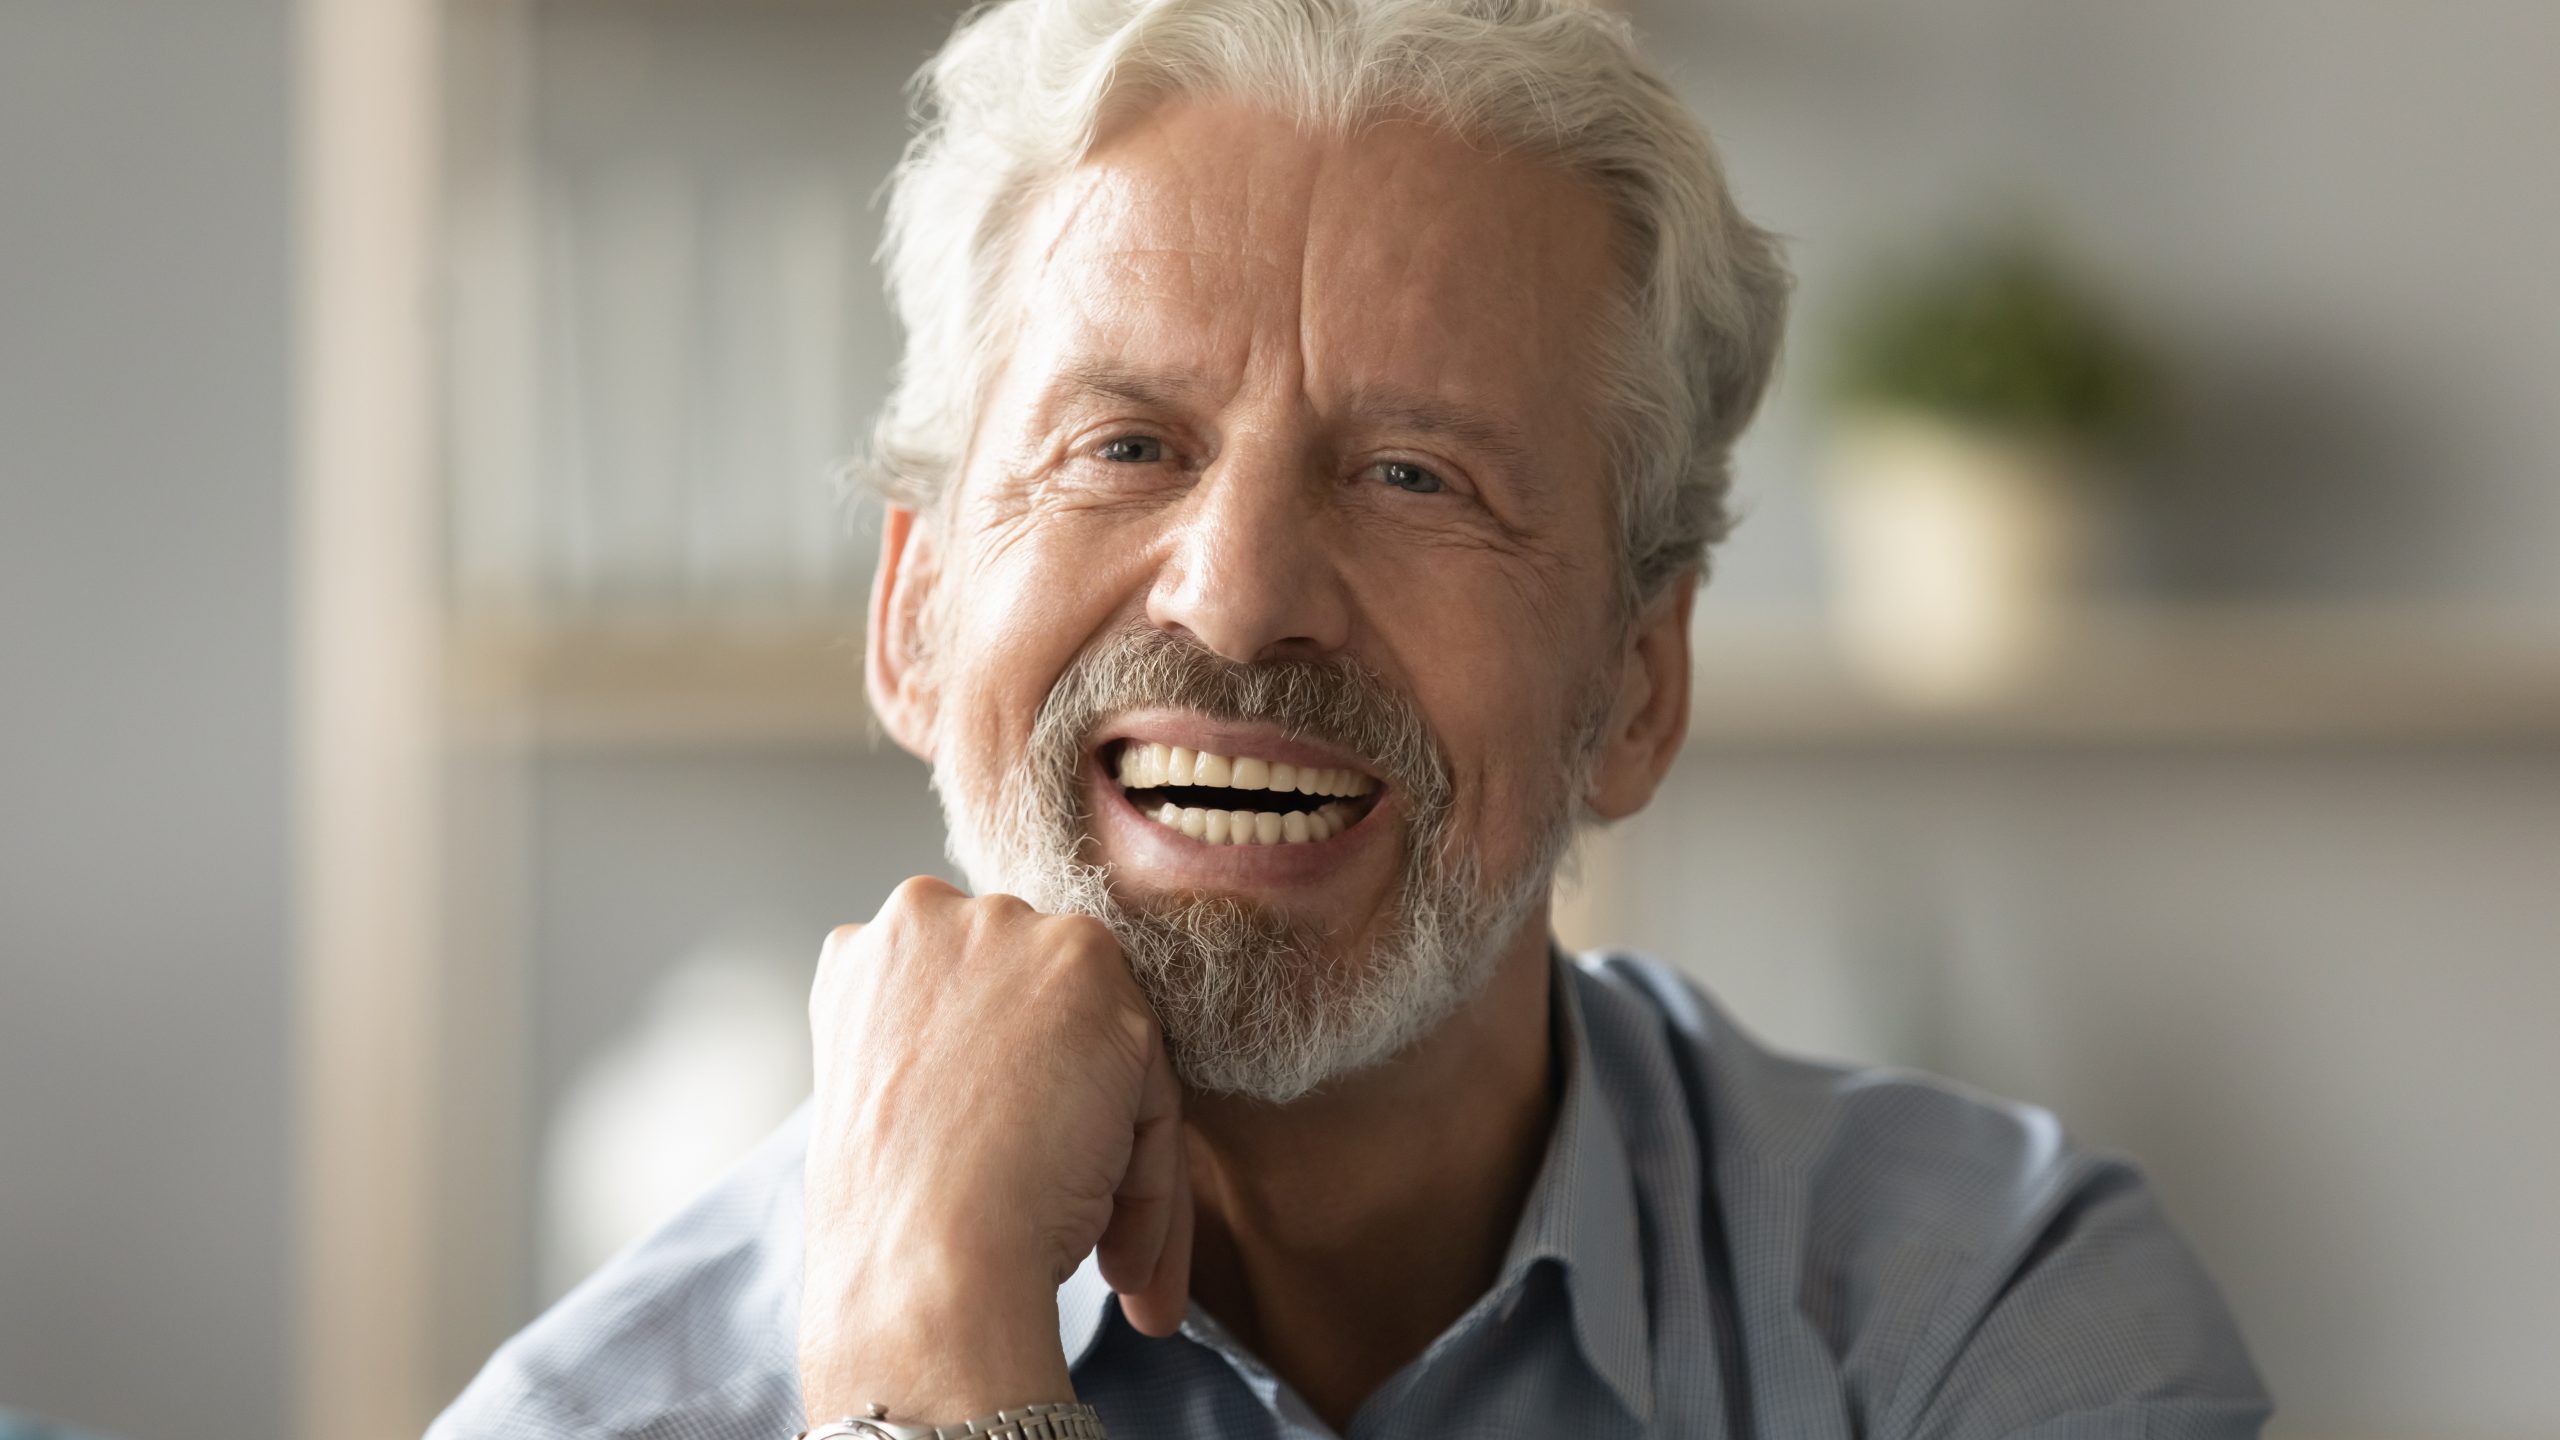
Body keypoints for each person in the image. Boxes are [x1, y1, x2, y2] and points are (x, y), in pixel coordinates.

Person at [430, 2, 2270, 1437]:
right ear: (913, 615)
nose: (1234, 596)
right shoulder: (587, 1425)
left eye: (1413, 474)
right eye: (1124, 447)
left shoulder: (1989, 1324)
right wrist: (927, 1338)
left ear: (1639, 686)